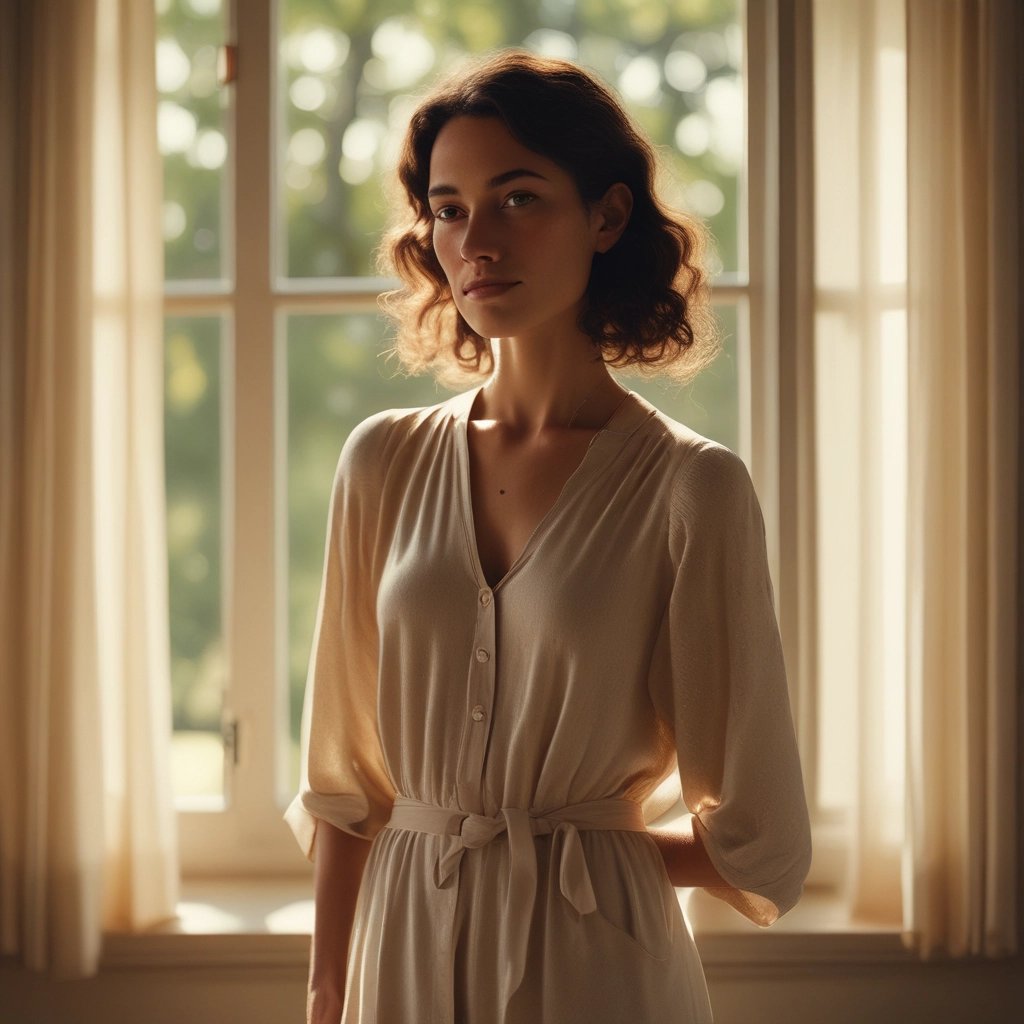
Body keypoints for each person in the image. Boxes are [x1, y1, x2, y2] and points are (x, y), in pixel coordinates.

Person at [286, 49, 811, 1024]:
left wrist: (576, 843)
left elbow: (764, 833)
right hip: (399, 953)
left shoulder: (692, 488)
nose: (477, 239)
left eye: (517, 198)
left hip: (594, 959)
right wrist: (326, 989)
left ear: (606, 217)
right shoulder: (381, 464)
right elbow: (343, 786)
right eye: (448, 208)